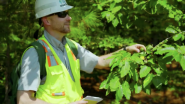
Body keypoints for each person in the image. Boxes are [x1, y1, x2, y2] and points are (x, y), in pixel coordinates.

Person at [17, 0, 146, 104]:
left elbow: (100, 62)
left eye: (68, 13)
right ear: (46, 20)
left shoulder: (72, 46)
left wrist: (126, 51)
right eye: (62, 14)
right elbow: (24, 100)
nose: (69, 18)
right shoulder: (35, 53)